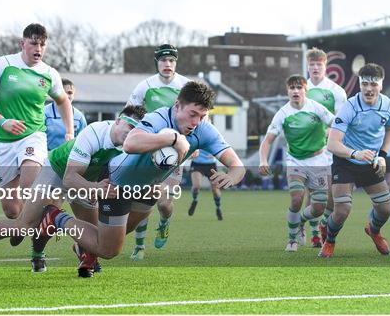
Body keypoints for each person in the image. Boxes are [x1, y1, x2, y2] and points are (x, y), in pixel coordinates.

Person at [36, 81, 245, 265]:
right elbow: (130, 143)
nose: (196, 123)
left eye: (202, 116)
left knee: (122, 230)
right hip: (118, 181)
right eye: (192, 114)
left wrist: (231, 176)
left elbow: (237, 165)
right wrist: (173, 139)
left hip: (147, 187)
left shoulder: (203, 129)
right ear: (177, 106)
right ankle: (56, 217)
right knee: (109, 250)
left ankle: (86, 246)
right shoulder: (158, 119)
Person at [0, 106, 145, 277]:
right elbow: (70, 179)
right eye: (129, 126)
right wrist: (96, 189)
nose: (130, 133)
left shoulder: (131, 147)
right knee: (23, 226)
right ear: (118, 121)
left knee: (94, 235)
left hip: (87, 180)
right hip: (57, 170)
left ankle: (82, 252)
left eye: (135, 131)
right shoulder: (95, 133)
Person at [0, 23, 74, 220]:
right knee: (11, 210)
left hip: (34, 136)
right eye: (34, 43)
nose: (39, 49)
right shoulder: (3, 65)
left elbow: (63, 101)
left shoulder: (50, 73)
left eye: (43, 45)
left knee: (29, 185)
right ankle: (21, 224)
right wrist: (2, 121)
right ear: (22, 43)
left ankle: (44, 226)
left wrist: (69, 131)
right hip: (4, 141)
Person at [320, 63, 390, 258]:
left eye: (373, 84)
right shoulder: (350, 107)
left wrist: (383, 156)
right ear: (360, 85)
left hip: (370, 162)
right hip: (346, 160)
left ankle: (374, 230)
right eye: (364, 84)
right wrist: (355, 153)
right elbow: (332, 144)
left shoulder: (388, 105)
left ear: (381, 83)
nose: (369, 89)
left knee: (385, 210)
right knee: (343, 209)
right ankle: (329, 240)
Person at [127, 44, 190, 260]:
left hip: (177, 153)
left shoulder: (186, 87)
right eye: (163, 60)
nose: (167, 64)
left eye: (171, 60)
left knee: (163, 203)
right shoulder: (144, 87)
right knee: (143, 200)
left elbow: (201, 117)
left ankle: (164, 223)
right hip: (149, 151)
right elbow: (130, 114)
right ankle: (139, 246)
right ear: (157, 62)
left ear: (176, 62)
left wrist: (196, 145)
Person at [259, 75, 334, 252]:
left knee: (319, 207)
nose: (295, 91)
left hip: (319, 160)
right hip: (295, 161)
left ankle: (300, 221)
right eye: (292, 88)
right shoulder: (283, 114)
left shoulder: (316, 107)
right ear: (288, 91)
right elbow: (268, 140)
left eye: (299, 87)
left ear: (305, 89)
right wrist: (263, 160)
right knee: (296, 198)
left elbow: (335, 123)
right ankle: (292, 239)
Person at [304, 48, 348, 246]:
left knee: (329, 194)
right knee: (311, 190)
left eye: (318, 64)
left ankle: (321, 224)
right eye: (311, 64)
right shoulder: (301, 89)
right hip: (305, 149)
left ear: (325, 66)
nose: (315, 68)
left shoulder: (336, 91)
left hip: (328, 149)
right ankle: (312, 232)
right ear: (307, 66)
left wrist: (330, 132)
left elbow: (341, 121)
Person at [45, 78, 87, 150]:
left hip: (69, 158)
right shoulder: (44, 113)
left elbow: (84, 142)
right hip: (46, 156)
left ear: (74, 95)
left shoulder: (79, 117)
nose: (66, 96)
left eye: (70, 93)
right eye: (63, 93)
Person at [188, 149, 223, 220]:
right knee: (196, 186)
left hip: (211, 164)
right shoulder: (194, 137)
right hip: (197, 163)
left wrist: (216, 154)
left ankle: (218, 207)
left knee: (215, 190)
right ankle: (195, 200)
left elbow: (221, 148)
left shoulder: (214, 138)